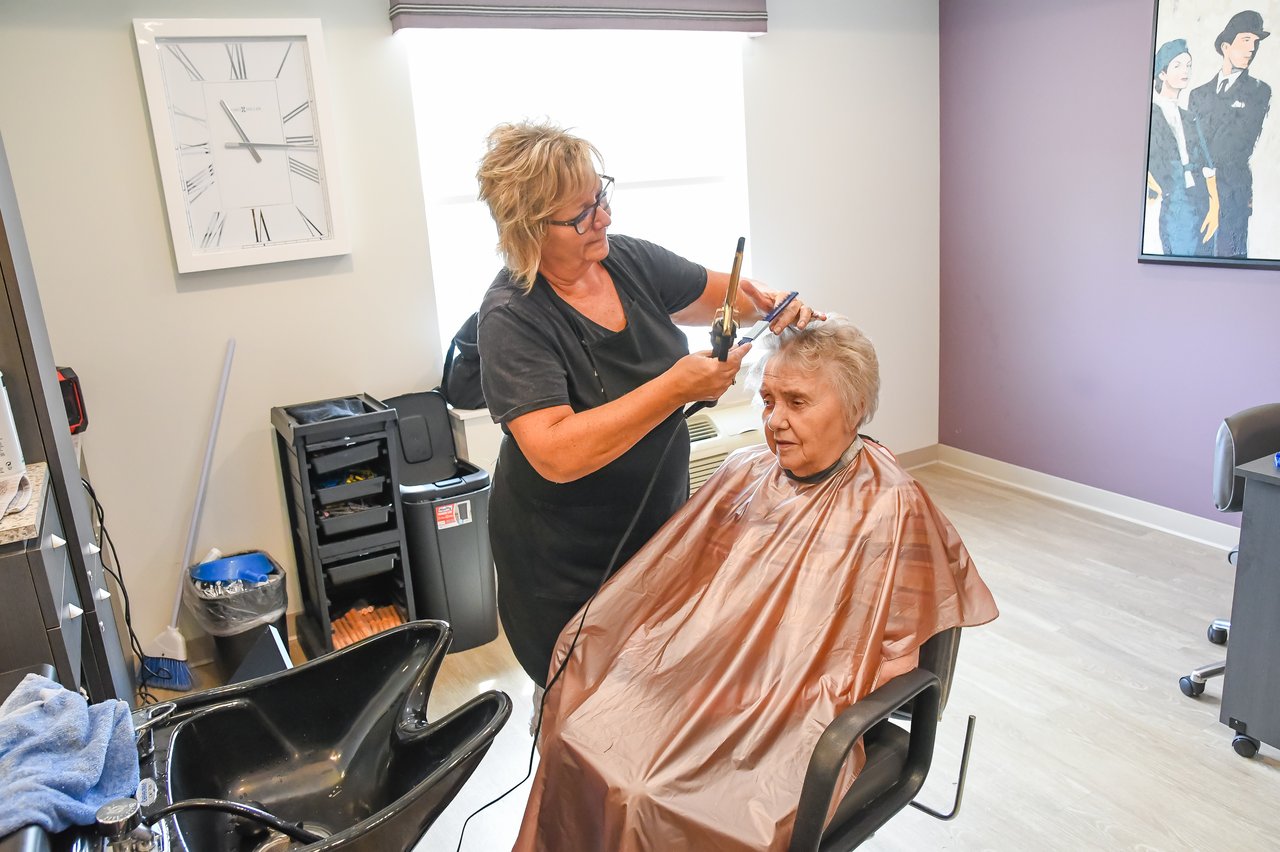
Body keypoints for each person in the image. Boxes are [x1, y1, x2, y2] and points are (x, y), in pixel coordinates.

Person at [514, 317, 999, 852]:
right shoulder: (745, 472)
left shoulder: (890, 505)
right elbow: (682, 585)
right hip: (713, 672)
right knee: (581, 725)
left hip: (794, 705)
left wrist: (777, 683)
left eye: (797, 402)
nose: (776, 421)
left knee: (649, 792)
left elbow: (889, 654)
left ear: (855, 407)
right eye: (768, 401)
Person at [475, 121, 818, 687]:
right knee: (583, 707)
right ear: (530, 229)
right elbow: (557, 452)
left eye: (601, 197)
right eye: (581, 214)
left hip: (656, 535)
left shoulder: (626, 261)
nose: (603, 219)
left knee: (651, 692)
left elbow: (724, 295)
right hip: (560, 563)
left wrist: (770, 303)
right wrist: (675, 388)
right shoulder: (513, 317)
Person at [1188, 10, 1272, 258]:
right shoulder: (1198, 95)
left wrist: (1206, 164)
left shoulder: (1259, 92)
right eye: (1246, 40)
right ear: (1226, 46)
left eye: (1256, 43)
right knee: (1193, 265)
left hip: (1234, 195)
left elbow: (1238, 145)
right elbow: (1193, 146)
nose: (1252, 49)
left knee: (1231, 264)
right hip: (1200, 198)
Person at [1147, 38, 1219, 256]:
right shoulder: (1151, 114)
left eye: (1188, 65)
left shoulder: (1189, 118)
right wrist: (1159, 189)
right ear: (1162, 73)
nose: (1185, 70)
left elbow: (1208, 166)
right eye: (1177, 65)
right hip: (1175, 205)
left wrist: (1215, 206)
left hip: (1200, 203)